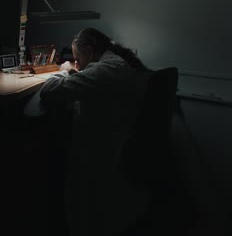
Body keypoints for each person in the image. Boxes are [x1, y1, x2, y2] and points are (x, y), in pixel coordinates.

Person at [39, 28, 152, 236]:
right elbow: (94, 83)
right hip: (120, 142)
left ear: (90, 52)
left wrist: (64, 70)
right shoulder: (117, 64)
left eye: (77, 58)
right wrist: (79, 74)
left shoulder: (106, 71)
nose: (77, 64)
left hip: (104, 155)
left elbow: (49, 91)